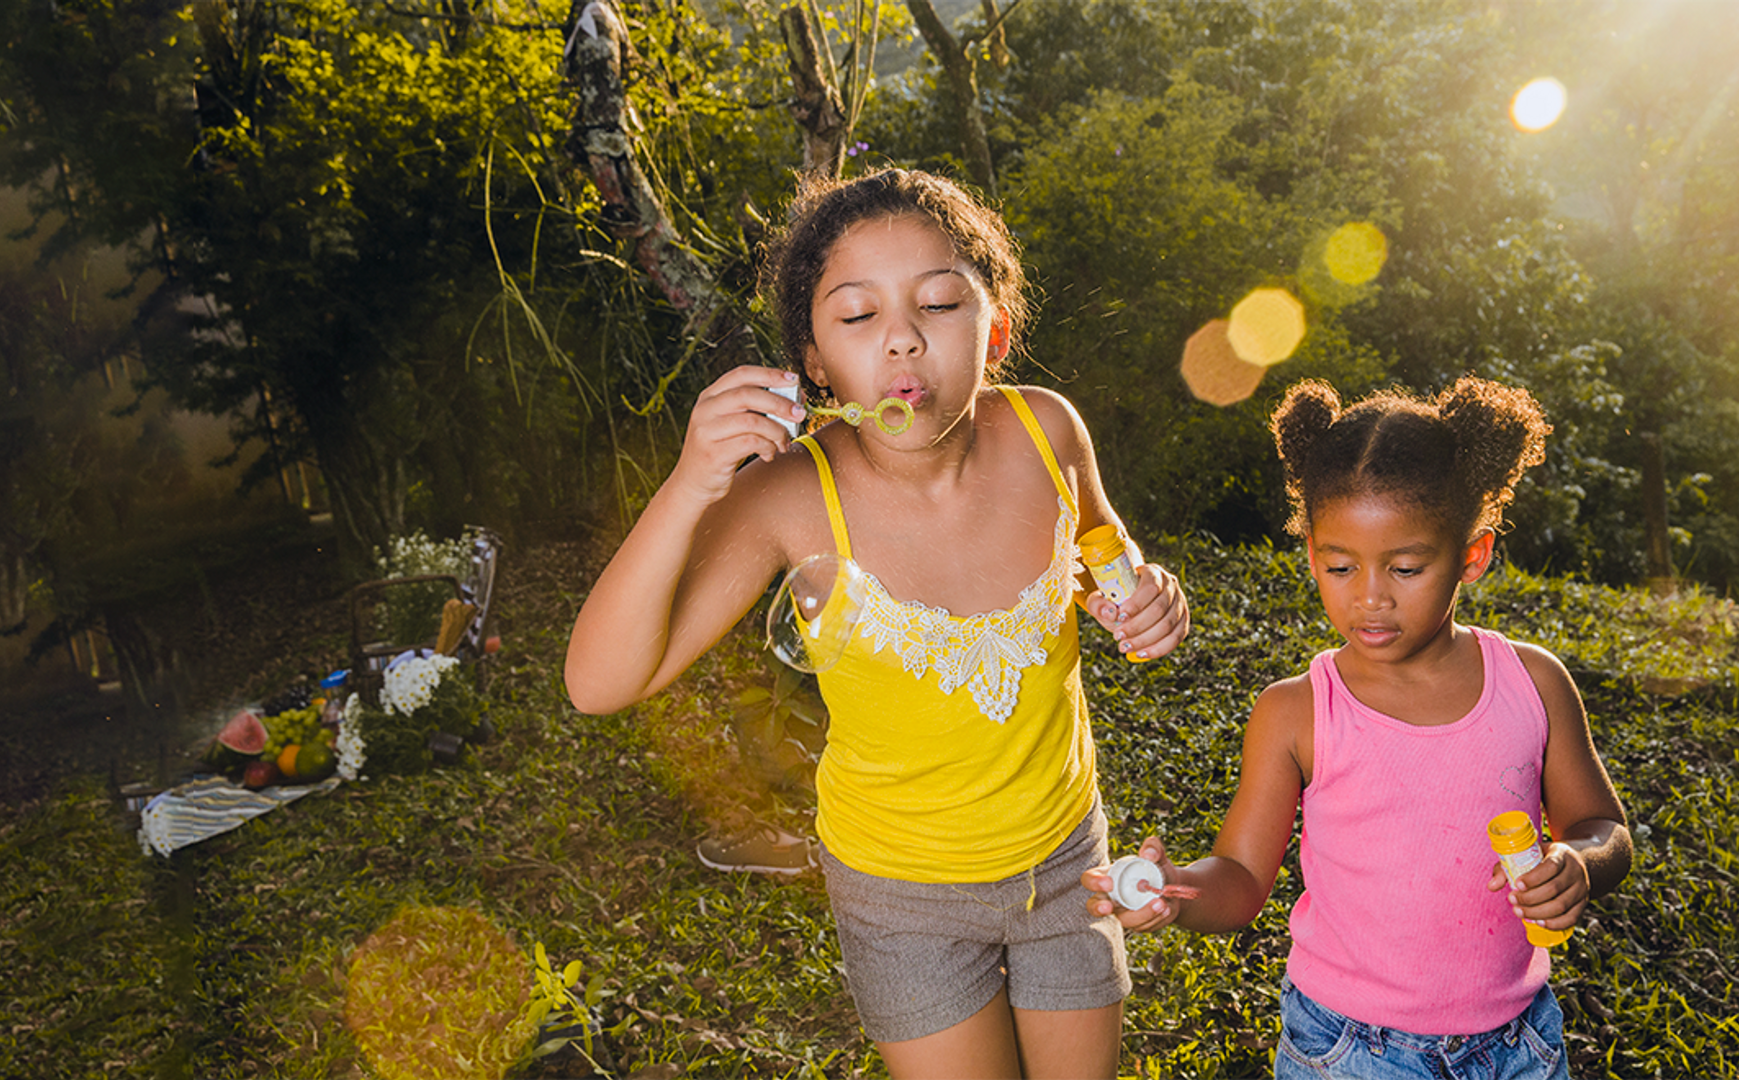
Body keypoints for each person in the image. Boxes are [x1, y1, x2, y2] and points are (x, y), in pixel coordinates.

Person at [565, 167, 1190, 1079]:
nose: (901, 339)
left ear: (994, 332)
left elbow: (1102, 547)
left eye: (938, 303)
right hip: (902, 900)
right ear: (816, 367)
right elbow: (599, 681)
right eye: (857, 318)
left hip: (1067, 862)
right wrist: (690, 483)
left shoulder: (1049, 430)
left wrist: (1144, 596)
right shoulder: (786, 498)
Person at [1081, 377, 1631, 1079]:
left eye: (1405, 567)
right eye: (1339, 566)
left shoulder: (1534, 683)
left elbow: (1601, 826)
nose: (1369, 596)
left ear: (1472, 554)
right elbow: (1244, 877)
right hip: (1349, 1051)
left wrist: (1579, 863)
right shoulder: (1296, 712)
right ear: (1312, 553)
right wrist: (1174, 890)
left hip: (1516, 1042)